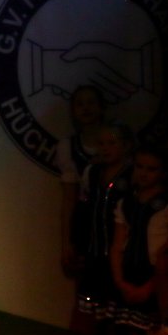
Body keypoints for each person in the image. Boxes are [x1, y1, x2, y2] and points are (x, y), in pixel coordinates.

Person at [110, 144, 168, 335]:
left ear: (163, 172)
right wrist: (120, 282)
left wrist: (149, 287)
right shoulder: (126, 202)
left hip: (156, 278)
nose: (143, 173)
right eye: (139, 166)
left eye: (151, 169)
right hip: (129, 275)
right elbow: (117, 246)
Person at [70, 121, 135, 332]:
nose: (106, 148)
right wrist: (76, 243)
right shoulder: (92, 172)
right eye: (101, 143)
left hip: (122, 255)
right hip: (93, 251)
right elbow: (82, 209)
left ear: (126, 145)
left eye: (112, 143)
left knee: (117, 312)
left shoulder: (133, 174)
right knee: (91, 307)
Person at [58, 85, 108, 277]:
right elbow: (69, 199)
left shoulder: (117, 142)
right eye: (80, 104)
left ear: (101, 107)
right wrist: (66, 242)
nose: (86, 108)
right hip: (86, 221)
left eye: (91, 102)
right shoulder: (68, 146)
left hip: (115, 217)